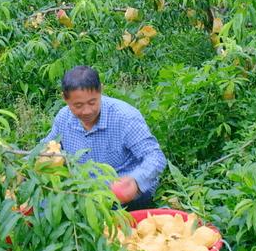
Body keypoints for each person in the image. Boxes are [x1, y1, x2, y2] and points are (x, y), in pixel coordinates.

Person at [41, 66, 166, 211]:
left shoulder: (125, 117)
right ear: (65, 98)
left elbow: (155, 157)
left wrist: (135, 181)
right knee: (45, 206)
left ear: (100, 90)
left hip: (123, 193)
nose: (87, 111)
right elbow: (47, 149)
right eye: (78, 105)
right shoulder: (63, 119)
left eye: (92, 102)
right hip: (84, 193)